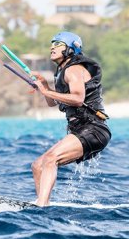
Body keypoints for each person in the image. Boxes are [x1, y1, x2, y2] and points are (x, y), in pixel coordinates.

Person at [31, 32, 111, 206]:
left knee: (51, 159)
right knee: (38, 165)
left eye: (58, 44)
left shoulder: (74, 70)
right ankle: (41, 205)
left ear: (70, 48)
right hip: (81, 129)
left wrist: (45, 91)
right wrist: (45, 86)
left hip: (94, 129)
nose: (52, 47)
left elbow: (77, 99)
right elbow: (52, 102)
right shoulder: (62, 72)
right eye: (52, 43)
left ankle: (42, 204)